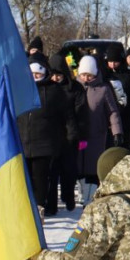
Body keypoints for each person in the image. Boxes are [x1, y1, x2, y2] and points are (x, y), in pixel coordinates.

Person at [18, 59, 80, 221]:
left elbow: (67, 116)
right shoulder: (20, 90)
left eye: (38, 74)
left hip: (44, 142)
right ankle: (25, 208)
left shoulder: (55, 91)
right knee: (25, 178)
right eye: (32, 74)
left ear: (45, 74)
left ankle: (39, 208)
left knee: (40, 178)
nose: (35, 77)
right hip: (23, 142)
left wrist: (71, 136)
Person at [75, 55, 123, 206]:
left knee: (93, 163)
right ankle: (81, 191)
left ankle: (91, 193)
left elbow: (112, 111)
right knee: (79, 162)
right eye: (83, 75)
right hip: (79, 134)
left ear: (95, 74)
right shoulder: (75, 87)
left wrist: (117, 131)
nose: (86, 78)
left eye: (89, 75)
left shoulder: (103, 89)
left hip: (96, 134)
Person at [47, 49, 88, 213]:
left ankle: (68, 197)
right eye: (53, 75)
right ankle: (51, 205)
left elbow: (82, 113)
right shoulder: (47, 88)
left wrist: (81, 135)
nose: (56, 78)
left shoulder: (75, 88)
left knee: (69, 170)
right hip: (51, 135)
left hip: (70, 134)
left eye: (59, 74)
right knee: (52, 171)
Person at [104, 45, 130, 150]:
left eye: (115, 61)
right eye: (110, 61)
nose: (112, 65)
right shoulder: (104, 74)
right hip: (108, 116)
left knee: (124, 145)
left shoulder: (128, 74)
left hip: (126, 115)